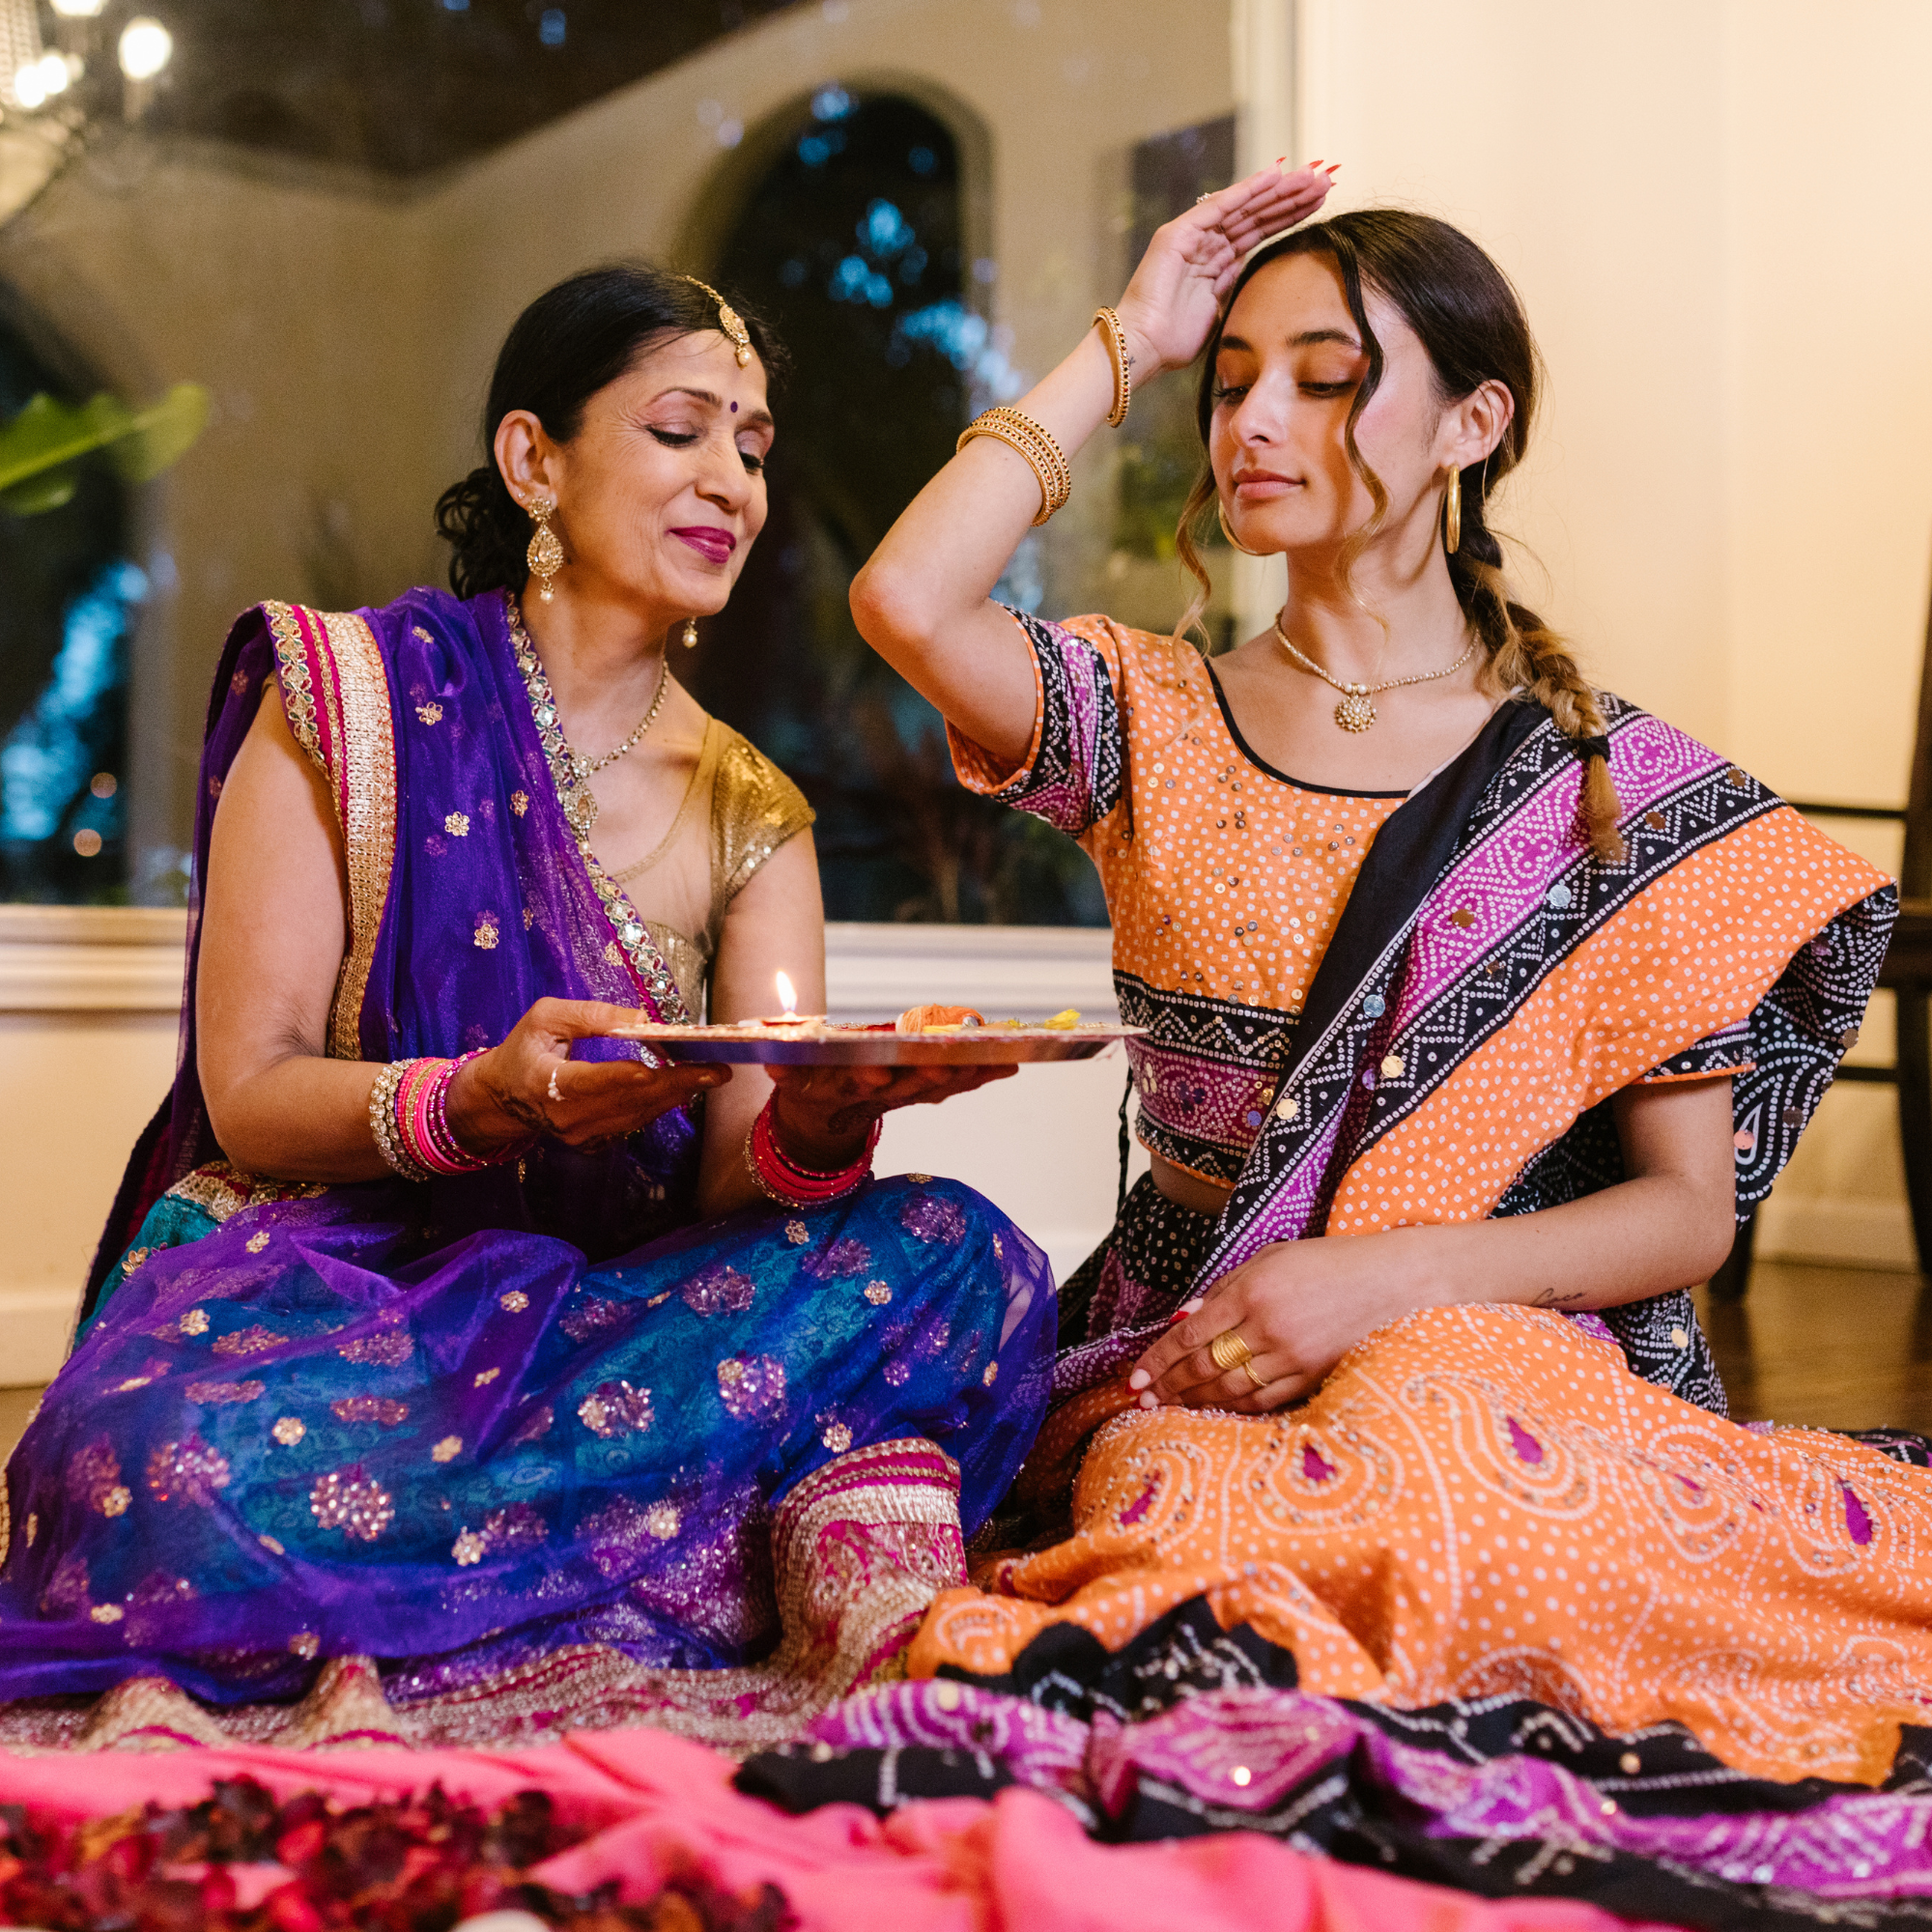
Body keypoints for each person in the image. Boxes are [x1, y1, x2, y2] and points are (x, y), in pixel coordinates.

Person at [838, 165, 1932, 1854]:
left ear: (1470, 423)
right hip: (1200, 1343)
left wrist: (1390, 1280)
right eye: (1232, 381)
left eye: (1328, 376)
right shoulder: (1153, 717)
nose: (1256, 418)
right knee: (1209, 1542)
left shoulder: (1608, 792)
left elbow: (1685, 1210)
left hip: (1501, 1342)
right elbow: (907, 602)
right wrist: (1126, 345)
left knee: (1453, 1465)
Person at [0, 265, 1055, 1751]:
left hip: (610, 1315)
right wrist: (478, 1097)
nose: (733, 484)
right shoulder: (349, 694)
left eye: (754, 446)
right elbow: (252, 1086)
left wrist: (822, 1115)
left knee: (957, 1256)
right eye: (684, 430)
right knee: (160, 1462)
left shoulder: (754, 810)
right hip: (335, 1296)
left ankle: (505, 1559)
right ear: (532, 460)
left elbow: (742, 1184)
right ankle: (664, 1558)